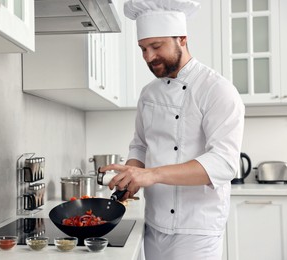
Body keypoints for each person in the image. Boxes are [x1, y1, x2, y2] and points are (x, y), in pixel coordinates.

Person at [100, 0, 245, 259]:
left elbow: (224, 164)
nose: (149, 57)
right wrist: (130, 176)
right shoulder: (148, 94)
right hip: (154, 223)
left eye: (156, 46)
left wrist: (151, 175)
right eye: (143, 48)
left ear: (182, 39)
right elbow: (141, 145)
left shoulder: (217, 90)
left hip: (197, 229)